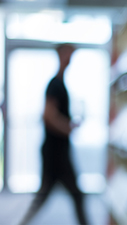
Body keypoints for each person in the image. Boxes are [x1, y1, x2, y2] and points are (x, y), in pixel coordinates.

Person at [19, 44, 88, 225]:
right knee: (72, 195)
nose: (71, 58)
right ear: (61, 54)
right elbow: (48, 116)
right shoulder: (55, 84)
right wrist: (68, 127)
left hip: (57, 150)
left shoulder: (60, 83)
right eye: (69, 53)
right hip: (55, 151)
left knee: (56, 195)